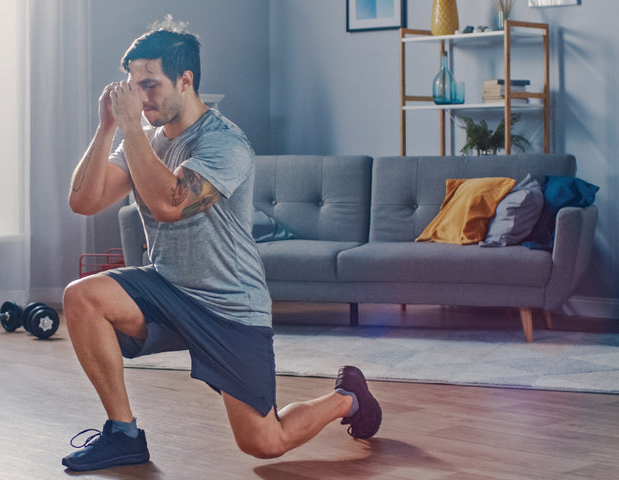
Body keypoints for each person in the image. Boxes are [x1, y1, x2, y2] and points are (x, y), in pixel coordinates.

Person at [61, 27, 382, 472]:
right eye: (134, 88)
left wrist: (131, 127)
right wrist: (107, 127)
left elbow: (169, 204)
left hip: (230, 308)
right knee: (81, 296)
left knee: (265, 444)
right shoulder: (143, 140)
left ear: (186, 81)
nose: (141, 98)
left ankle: (347, 399)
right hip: (167, 289)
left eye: (150, 85)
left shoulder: (224, 142)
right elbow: (84, 201)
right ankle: (123, 434)